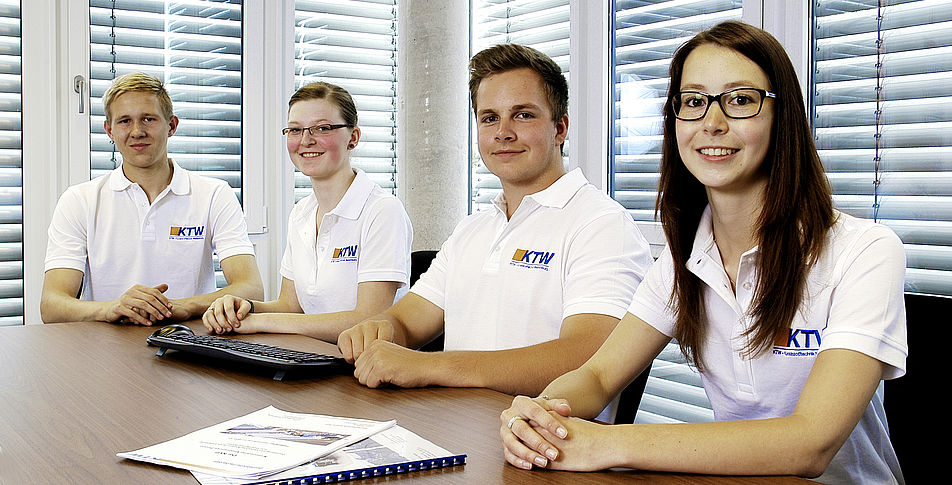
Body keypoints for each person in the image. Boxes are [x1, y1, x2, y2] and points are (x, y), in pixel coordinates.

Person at [499, 21, 906, 484]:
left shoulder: (865, 252)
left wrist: (604, 443)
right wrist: (541, 416)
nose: (712, 122)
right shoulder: (683, 260)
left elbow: (810, 443)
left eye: (740, 100)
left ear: (782, 115)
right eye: (693, 102)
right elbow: (596, 378)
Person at [336, 44, 653, 398]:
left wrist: (430, 366)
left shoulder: (603, 225)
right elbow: (406, 321)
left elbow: (589, 356)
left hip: (541, 444)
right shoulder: (472, 231)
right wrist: (378, 330)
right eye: (489, 118)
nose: (503, 132)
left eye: (522, 115)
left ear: (560, 128)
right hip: (450, 430)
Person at [41, 72, 264, 325]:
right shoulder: (79, 200)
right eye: (125, 121)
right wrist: (112, 308)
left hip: (190, 344)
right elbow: (52, 306)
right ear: (109, 130)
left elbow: (252, 288)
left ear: (172, 126)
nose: (137, 131)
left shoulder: (214, 194)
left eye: (148, 119)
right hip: (104, 348)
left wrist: (180, 307)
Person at [201, 82, 412, 343]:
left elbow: (368, 319)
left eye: (322, 128)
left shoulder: (382, 211)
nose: (305, 140)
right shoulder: (301, 213)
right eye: (295, 130)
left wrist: (261, 322)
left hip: (363, 367)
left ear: (353, 137)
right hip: (311, 359)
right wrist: (243, 308)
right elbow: (291, 306)